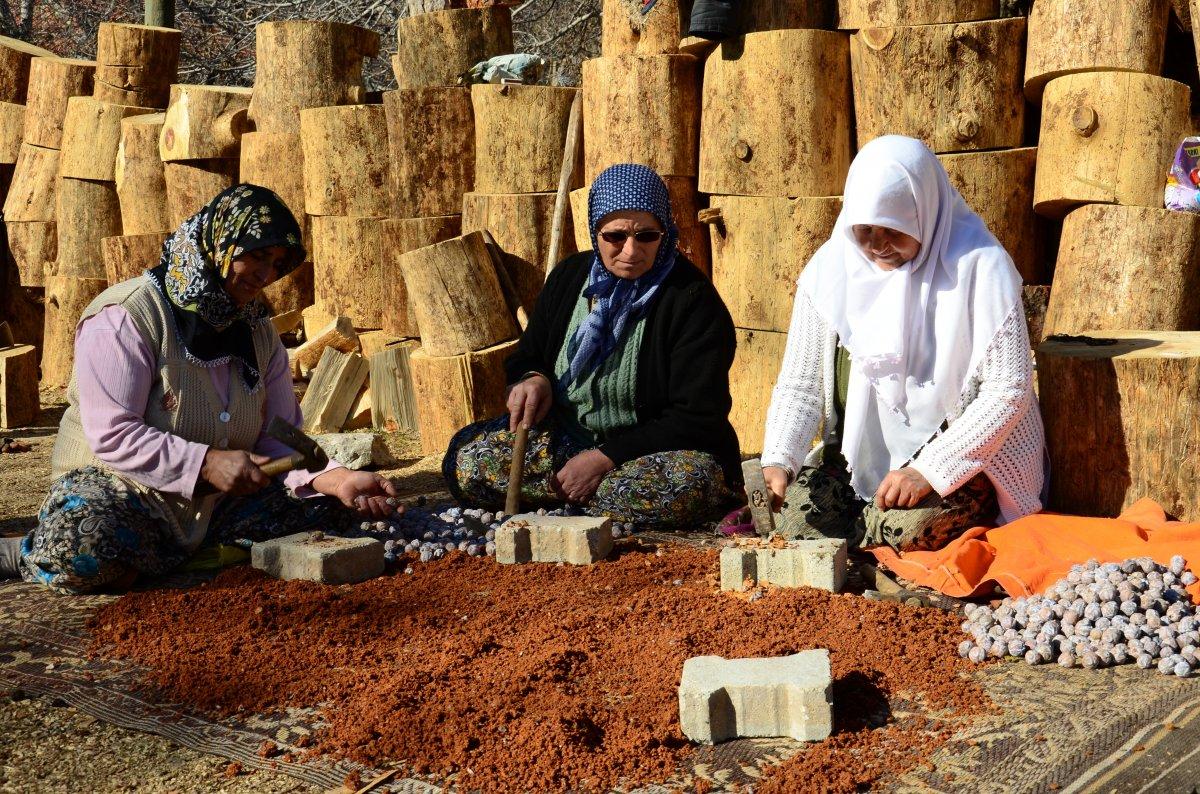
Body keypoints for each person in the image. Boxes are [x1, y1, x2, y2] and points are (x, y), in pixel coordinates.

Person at [1, 184, 398, 594]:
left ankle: (166, 557)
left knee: (335, 515)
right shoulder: (127, 317)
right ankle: (26, 553)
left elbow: (280, 433)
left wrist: (337, 478)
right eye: (257, 256)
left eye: (278, 263)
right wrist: (206, 463)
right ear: (218, 245)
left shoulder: (258, 333)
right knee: (85, 544)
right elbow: (113, 434)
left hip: (213, 508)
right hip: (122, 492)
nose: (267, 275)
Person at [760, 135, 1045, 552]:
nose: (876, 244)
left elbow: (1008, 392)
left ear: (924, 212)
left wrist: (928, 471)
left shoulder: (982, 268)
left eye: (892, 229)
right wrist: (780, 457)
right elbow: (800, 382)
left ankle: (872, 532)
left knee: (902, 533)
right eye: (864, 229)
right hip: (859, 463)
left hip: (965, 465)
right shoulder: (830, 271)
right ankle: (863, 523)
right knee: (797, 522)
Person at [443, 163, 741, 529]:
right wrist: (532, 378)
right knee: (468, 460)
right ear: (594, 232)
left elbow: (697, 416)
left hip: (647, 455)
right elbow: (529, 356)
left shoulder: (691, 300)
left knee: (688, 485)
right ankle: (577, 490)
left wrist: (604, 459)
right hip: (568, 440)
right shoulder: (569, 278)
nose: (631, 251)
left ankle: (565, 491)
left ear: (666, 231)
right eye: (615, 236)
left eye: (647, 236)